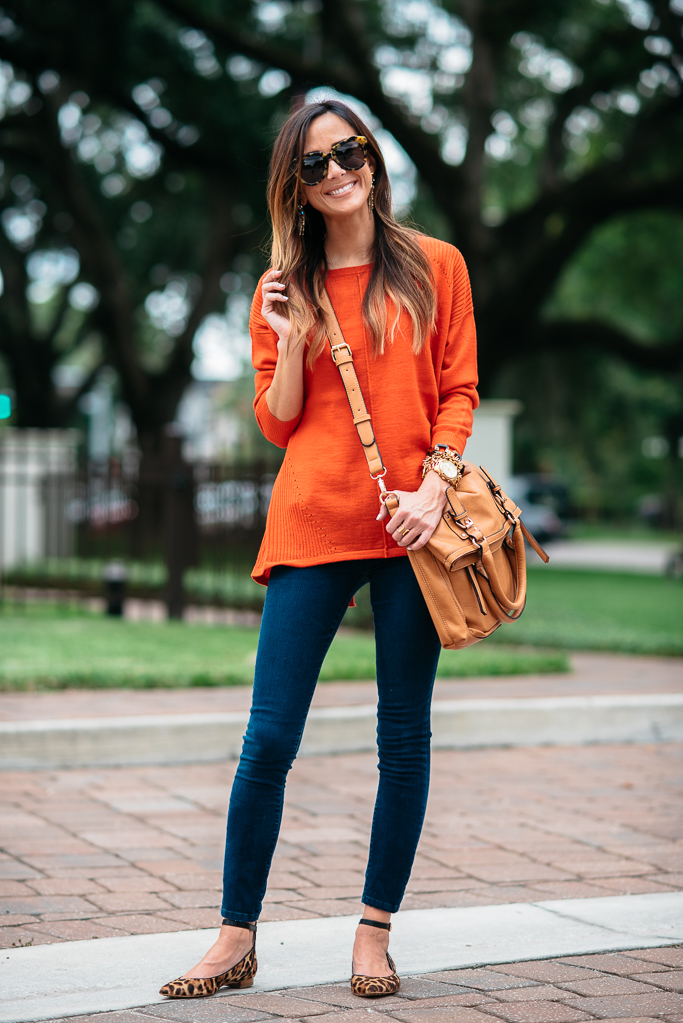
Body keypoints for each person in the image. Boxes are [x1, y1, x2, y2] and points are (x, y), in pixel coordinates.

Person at [160, 98, 478, 1001]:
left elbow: (458, 387)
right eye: (314, 164)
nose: (338, 169)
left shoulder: (435, 266)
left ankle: (373, 932)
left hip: (411, 528)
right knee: (267, 740)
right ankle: (234, 937)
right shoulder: (278, 286)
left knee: (402, 739)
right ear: (293, 188)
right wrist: (292, 336)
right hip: (312, 523)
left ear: (372, 157)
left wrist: (431, 488)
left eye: (351, 150)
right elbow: (276, 418)